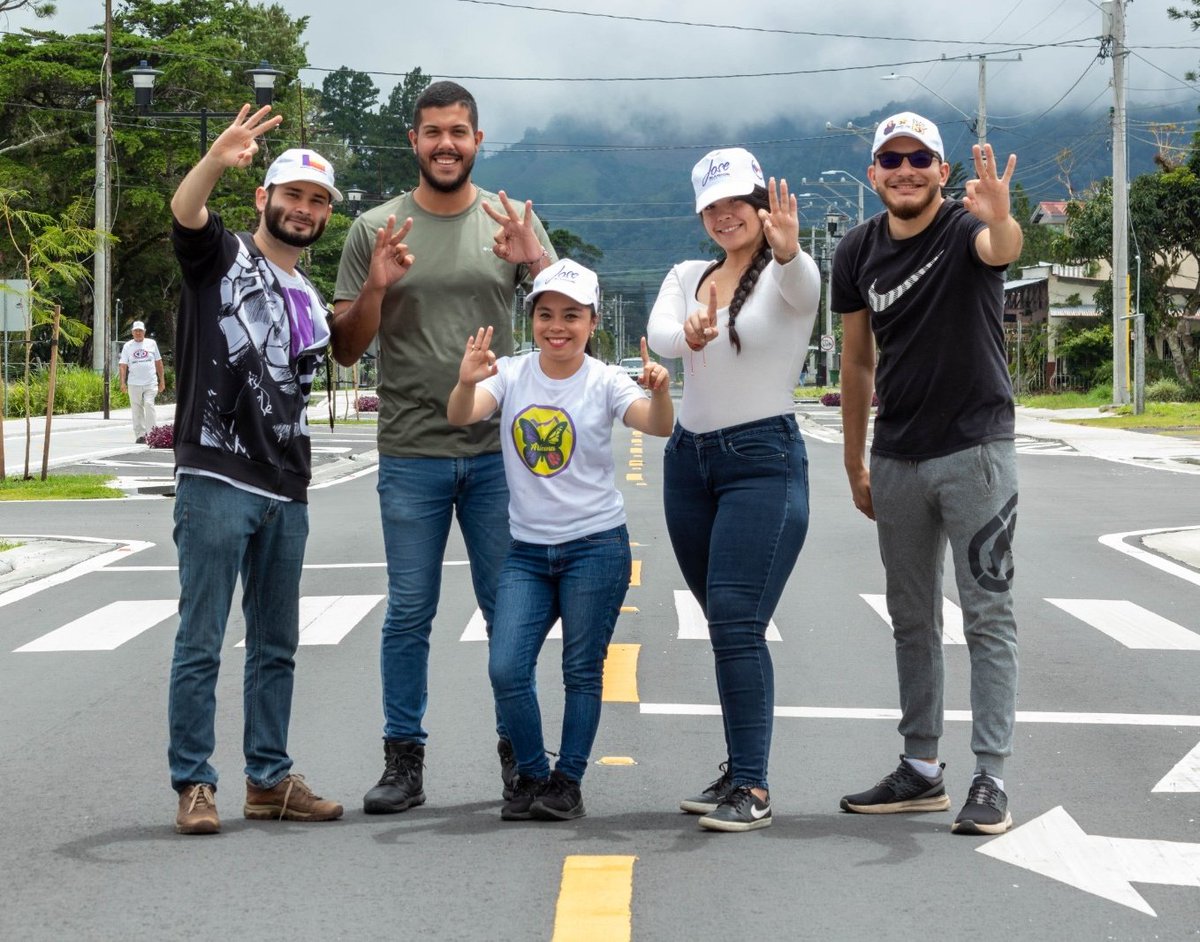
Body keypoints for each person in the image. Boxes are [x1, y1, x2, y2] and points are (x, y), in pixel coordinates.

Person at [331, 80, 557, 815]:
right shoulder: (376, 226)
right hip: (410, 451)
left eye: (458, 132)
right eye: (433, 133)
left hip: (498, 454)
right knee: (408, 613)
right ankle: (403, 763)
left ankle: (521, 761)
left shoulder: (512, 218)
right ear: (414, 142)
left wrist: (535, 264)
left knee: (507, 613)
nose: (446, 144)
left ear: (477, 140)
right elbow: (346, 349)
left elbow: (566, 316)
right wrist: (375, 286)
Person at [832, 112, 1023, 835]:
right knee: (911, 619)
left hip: (977, 451)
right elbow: (856, 360)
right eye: (892, 159)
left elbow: (1000, 246)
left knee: (988, 615)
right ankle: (920, 770)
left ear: (942, 172)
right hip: (898, 456)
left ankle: (991, 775)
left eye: (920, 159)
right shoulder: (857, 249)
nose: (906, 170)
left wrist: (1000, 217)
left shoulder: (964, 227)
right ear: (874, 173)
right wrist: (855, 458)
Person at [167, 106, 345, 835]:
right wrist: (215, 157)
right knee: (202, 638)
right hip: (216, 475)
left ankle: (268, 779)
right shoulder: (225, 257)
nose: (302, 210)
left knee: (277, 644)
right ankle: (194, 783)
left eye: (317, 201)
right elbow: (185, 212)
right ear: (262, 198)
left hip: (286, 487)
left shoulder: (310, 297)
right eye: (292, 195)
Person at [447, 259, 673, 820]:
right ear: (532, 320)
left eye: (571, 315)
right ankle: (530, 773)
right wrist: (465, 380)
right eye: (546, 314)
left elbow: (658, 425)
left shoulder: (606, 380)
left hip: (594, 547)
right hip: (526, 552)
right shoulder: (512, 372)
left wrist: (662, 391)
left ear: (592, 321)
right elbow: (462, 416)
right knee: (506, 666)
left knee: (580, 669)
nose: (558, 326)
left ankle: (566, 782)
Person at [647, 148, 821, 832]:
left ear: (761, 204)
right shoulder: (689, 275)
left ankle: (752, 787)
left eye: (737, 203)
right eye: (712, 207)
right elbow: (663, 334)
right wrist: (687, 328)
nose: (726, 216)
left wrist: (790, 250)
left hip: (762, 461)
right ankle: (737, 767)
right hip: (689, 464)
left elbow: (804, 288)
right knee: (725, 624)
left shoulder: (787, 277)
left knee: (736, 618)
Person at [118, 320, 165, 443]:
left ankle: (152, 433)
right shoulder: (128, 346)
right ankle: (140, 435)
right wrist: (122, 382)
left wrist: (162, 381)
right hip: (134, 383)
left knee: (149, 405)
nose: (138, 333)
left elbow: (158, 362)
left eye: (140, 331)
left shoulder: (151, 343)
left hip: (150, 382)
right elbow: (123, 365)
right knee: (136, 408)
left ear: (144, 332)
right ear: (132, 332)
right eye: (136, 331)